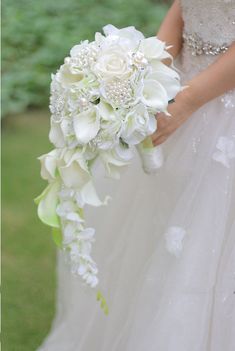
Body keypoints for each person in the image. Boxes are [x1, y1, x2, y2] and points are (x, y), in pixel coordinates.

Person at [37, 0, 235, 350]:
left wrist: (187, 102)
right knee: (152, 231)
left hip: (218, 109)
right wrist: (149, 74)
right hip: (173, 94)